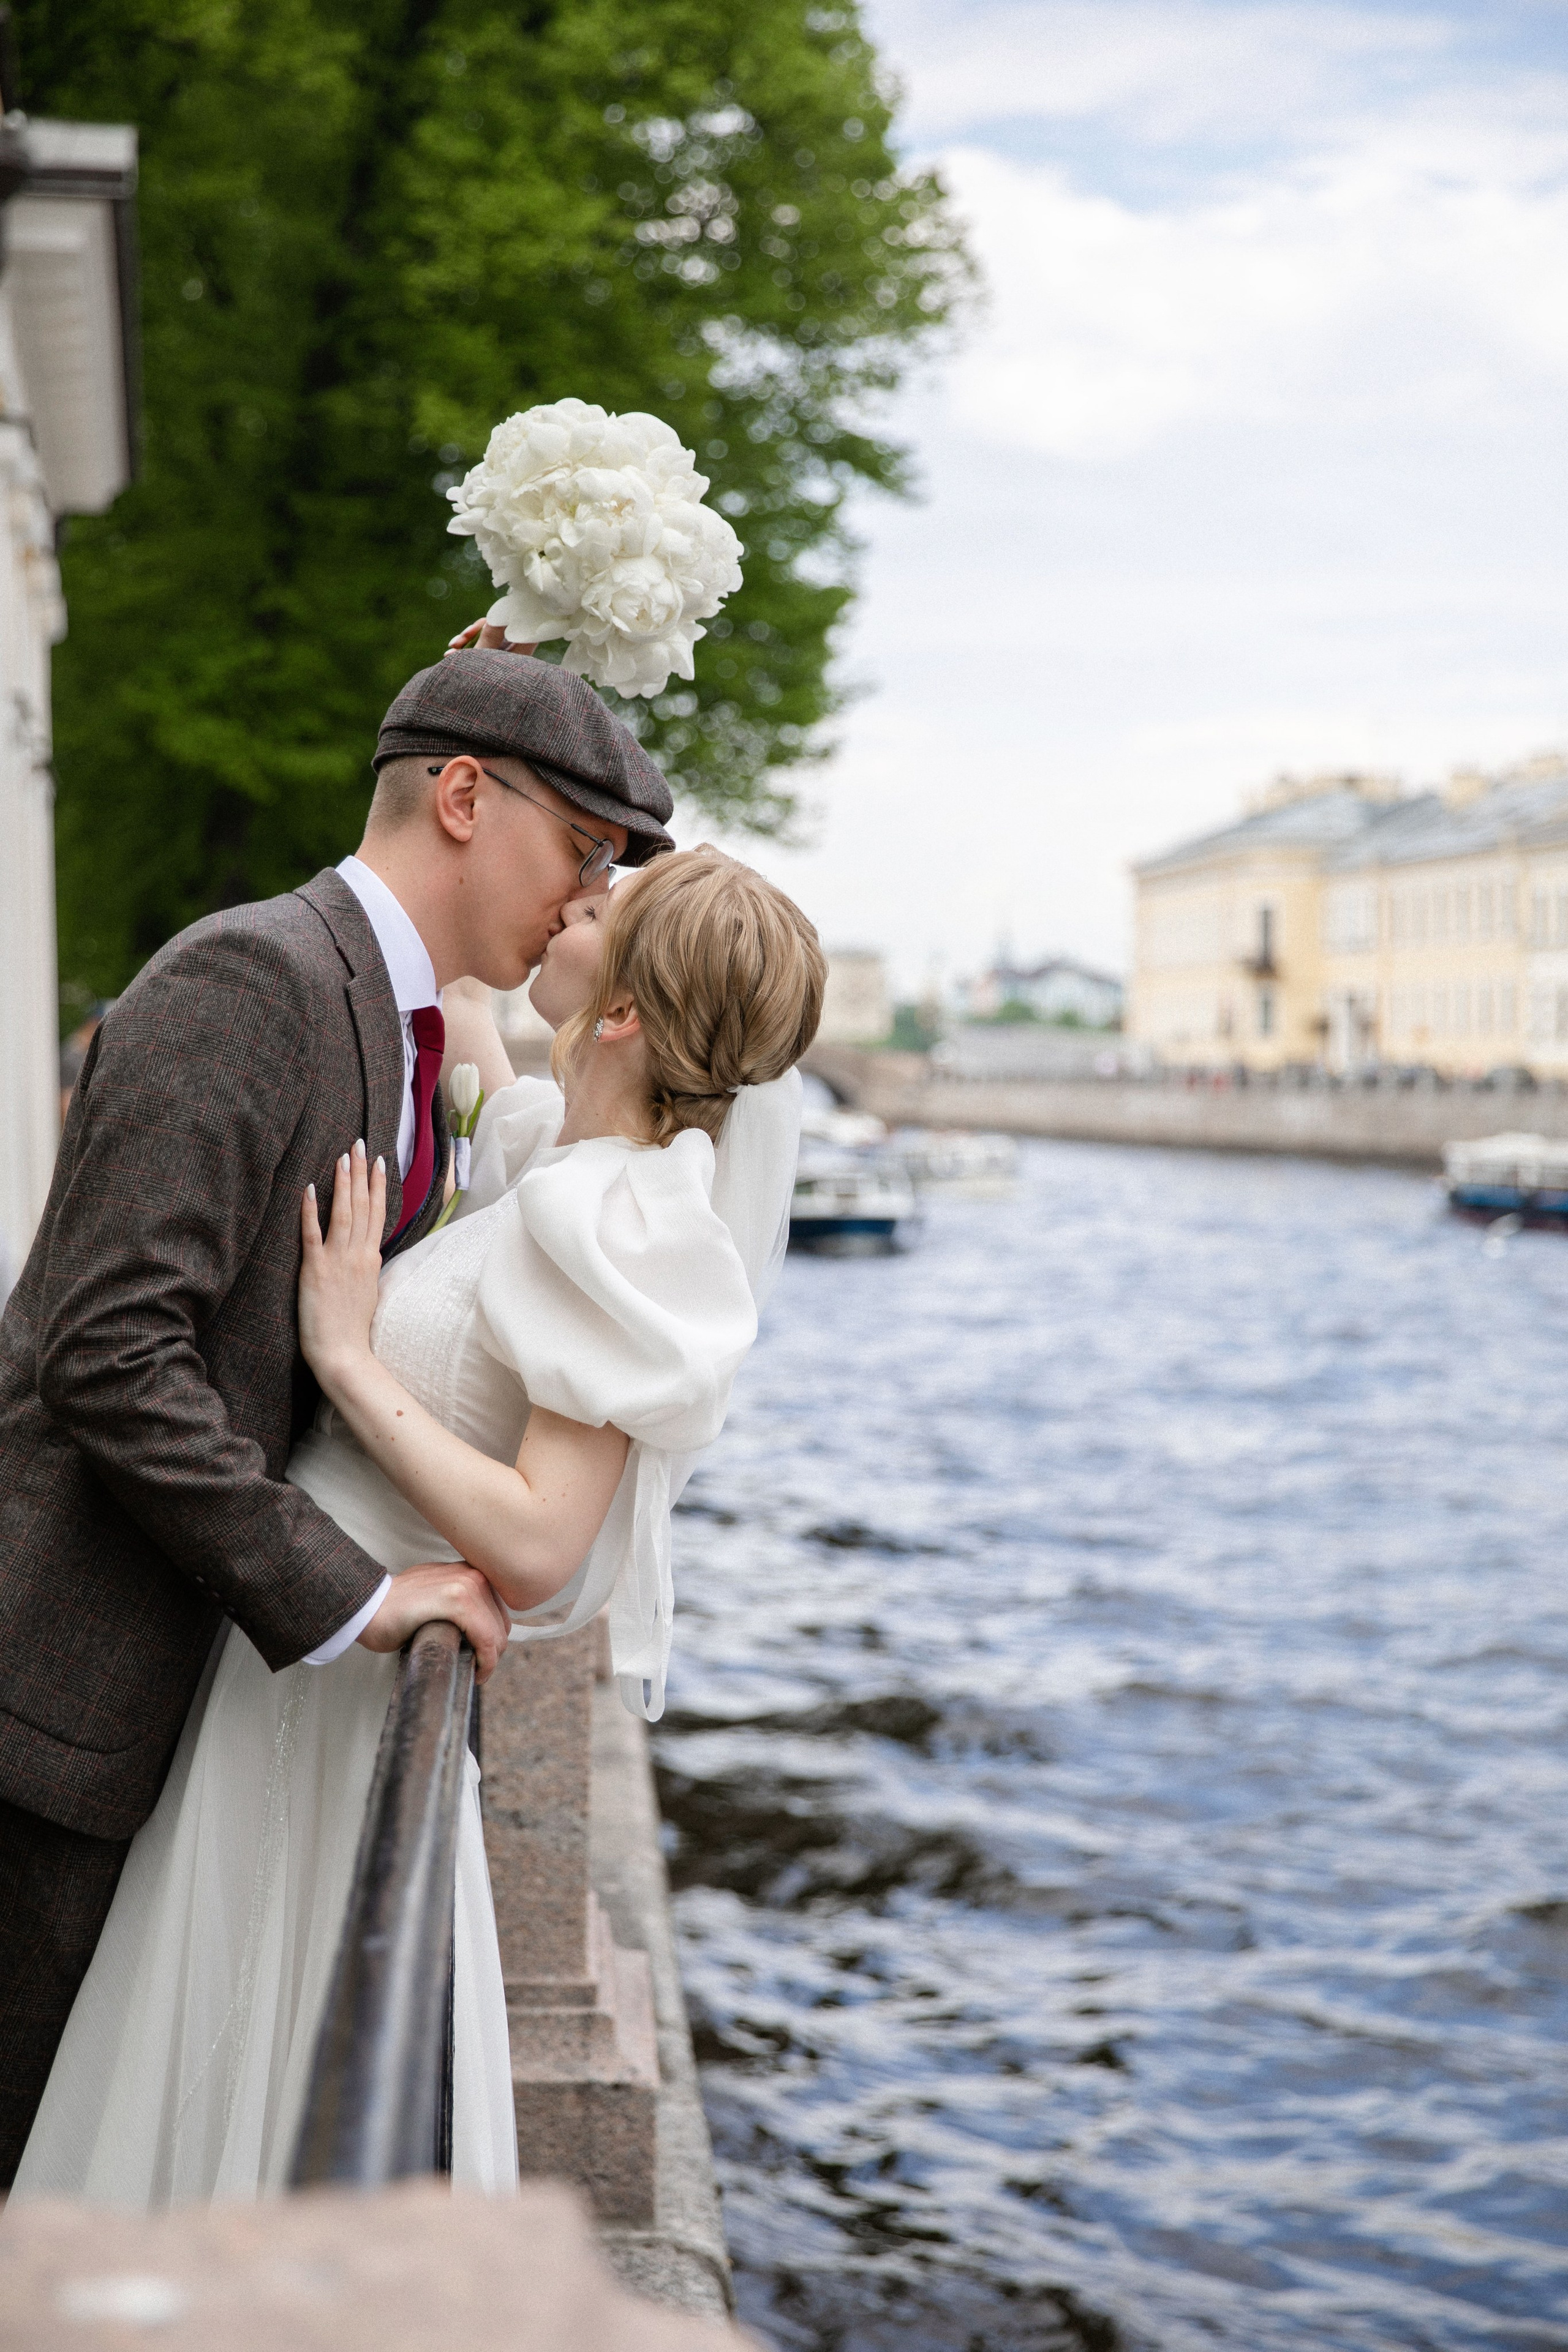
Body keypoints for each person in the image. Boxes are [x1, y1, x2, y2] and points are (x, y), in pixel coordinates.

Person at [9, 843, 823, 2201]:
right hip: (276, 1652)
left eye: (598, 905)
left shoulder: (625, 1221)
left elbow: (543, 1541)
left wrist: (348, 1360)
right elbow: (480, 1027)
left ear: (624, 1008)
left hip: (346, 1673)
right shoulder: (560, 1154)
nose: (571, 897)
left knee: (263, 2068)